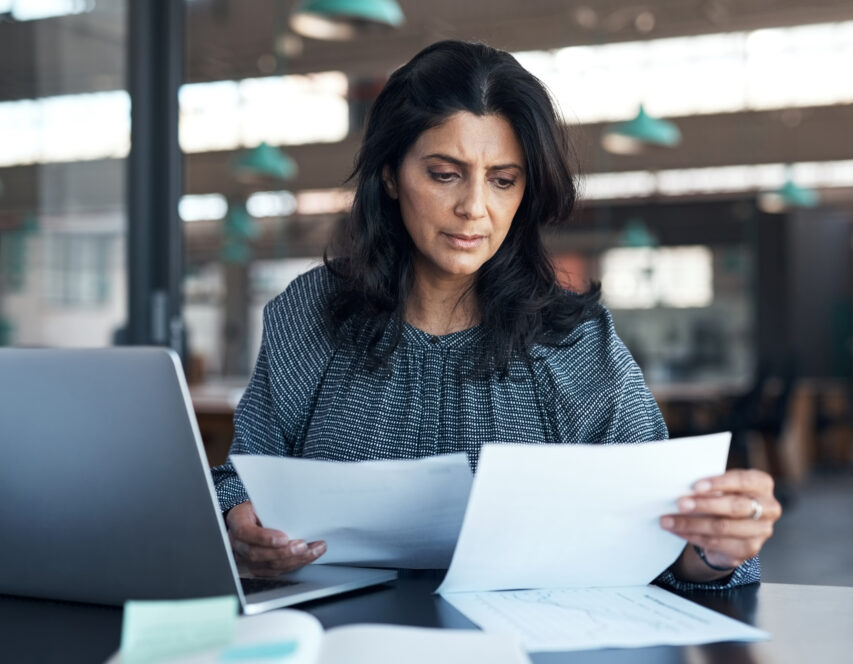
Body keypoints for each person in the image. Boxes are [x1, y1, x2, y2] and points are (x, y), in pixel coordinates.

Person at [211, 40, 781, 589]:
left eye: (503, 180)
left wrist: (715, 546)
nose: (474, 208)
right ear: (390, 174)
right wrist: (239, 519)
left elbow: (665, 539)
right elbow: (242, 476)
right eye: (444, 173)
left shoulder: (574, 341)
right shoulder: (309, 313)